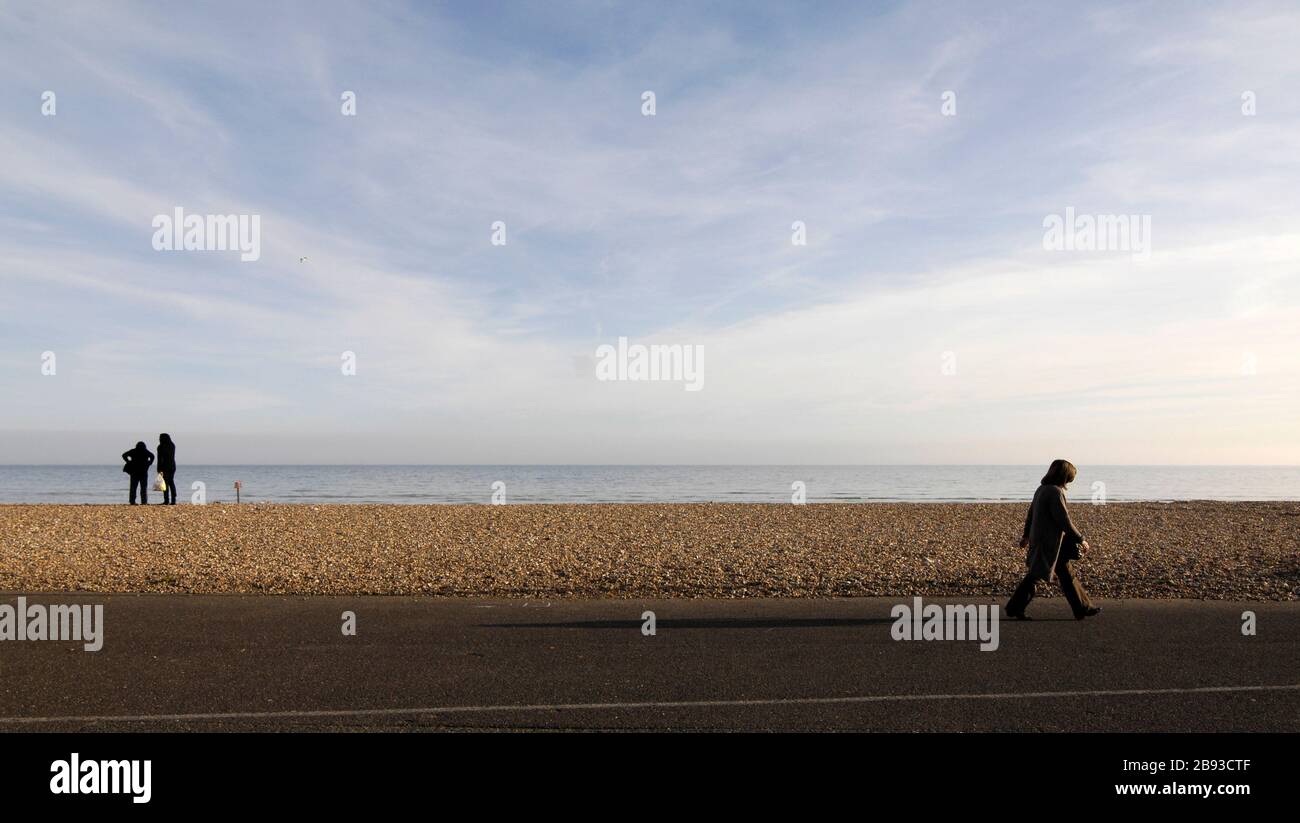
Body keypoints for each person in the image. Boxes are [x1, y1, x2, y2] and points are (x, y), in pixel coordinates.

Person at [1005, 459, 1101, 620]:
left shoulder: (1041, 489)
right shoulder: (1055, 492)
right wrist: (1081, 539)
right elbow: (1064, 520)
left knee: (1066, 574)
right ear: (1065, 476)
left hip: (1045, 541)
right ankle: (1014, 608)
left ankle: (1083, 608)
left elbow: (1031, 514)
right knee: (1035, 576)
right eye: (1070, 477)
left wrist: (1026, 535)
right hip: (1048, 543)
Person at [156, 433, 177, 505]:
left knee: (165, 483)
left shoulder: (160, 447)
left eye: (160, 438)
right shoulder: (172, 445)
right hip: (172, 466)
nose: (159, 439)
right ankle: (173, 500)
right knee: (171, 482)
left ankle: (166, 500)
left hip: (164, 466)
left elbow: (159, 459)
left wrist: (158, 468)